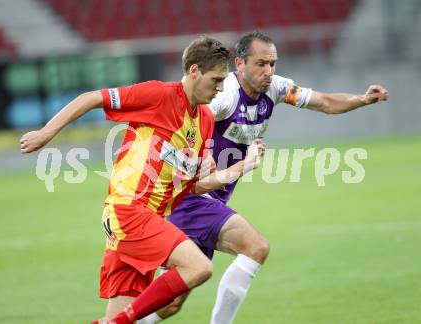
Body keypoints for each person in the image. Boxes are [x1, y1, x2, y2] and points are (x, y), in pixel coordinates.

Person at [138, 31, 389, 324]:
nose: (268, 71)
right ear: (240, 63)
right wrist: (197, 152)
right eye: (261, 64)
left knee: (170, 303)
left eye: (272, 63)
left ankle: (123, 320)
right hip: (193, 198)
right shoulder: (226, 94)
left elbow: (325, 103)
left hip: (208, 199)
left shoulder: (277, 89)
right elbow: (194, 114)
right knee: (255, 247)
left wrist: (363, 99)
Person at [20, 36, 267, 324]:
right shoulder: (158, 95)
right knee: (199, 267)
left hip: (147, 221)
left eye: (224, 81)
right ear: (194, 71)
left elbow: (193, 187)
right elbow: (91, 98)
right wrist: (46, 133)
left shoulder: (204, 120)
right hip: (128, 212)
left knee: (150, 303)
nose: (221, 88)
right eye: (216, 80)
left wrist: (242, 166)